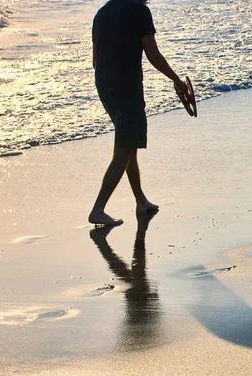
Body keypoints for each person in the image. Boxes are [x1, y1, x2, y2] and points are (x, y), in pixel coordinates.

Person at [89, 0, 190, 226]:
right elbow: (153, 55)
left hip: (105, 88)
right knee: (123, 152)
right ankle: (98, 209)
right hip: (127, 89)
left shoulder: (102, 13)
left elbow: (95, 61)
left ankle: (141, 201)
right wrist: (176, 80)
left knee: (128, 145)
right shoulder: (139, 11)